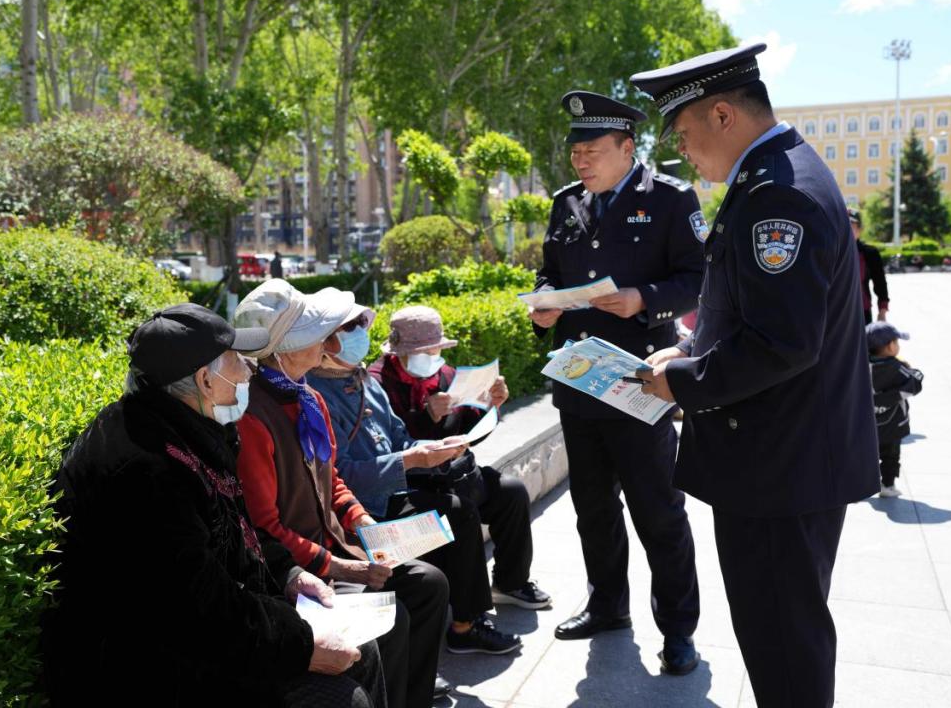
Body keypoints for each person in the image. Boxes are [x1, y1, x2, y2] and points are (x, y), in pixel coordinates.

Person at [631, 44, 880, 707]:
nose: (684, 153)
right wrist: (688, 347)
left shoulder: (778, 197)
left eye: (683, 136)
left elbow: (780, 345)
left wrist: (682, 382)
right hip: (786, 460)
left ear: (721, 114)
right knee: (783, 640)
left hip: (779, 472)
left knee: (784, 651)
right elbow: (759, 315)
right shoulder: (774, 177)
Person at [43, 303, 386, 708]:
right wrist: (302, 645)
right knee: (339, 698)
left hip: (200, 630)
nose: (248, 371)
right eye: (237, 361)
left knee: (363, 653)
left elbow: (232, 532)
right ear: (206, 380)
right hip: (149, 666)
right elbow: (193, 606)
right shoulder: (146, 469)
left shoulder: (183, 426)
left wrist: (289, 572)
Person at [527, 90, 703, 675]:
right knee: (592, 507)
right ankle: (608, 606)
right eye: (574, 152)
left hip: (640, 381)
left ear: (628, 148)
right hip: (580, 381)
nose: (580, 161)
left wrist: (644, 301)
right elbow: (551, 271)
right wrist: (544, 304)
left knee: (658, 511)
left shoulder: (672, 200)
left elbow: (699, 280)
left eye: (592, 151)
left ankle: (678, 630)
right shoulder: (566, 203)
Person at [231, 280, 450, 708]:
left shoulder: (310, 397)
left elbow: (331, 479)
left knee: (430, 584)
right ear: (283, 351)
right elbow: (266, 528)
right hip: (300, 573)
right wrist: (346, 568)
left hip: (337, 546)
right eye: (315, 335)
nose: (328, 342)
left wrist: (361, 522)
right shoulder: (252, 417)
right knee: (395, 617)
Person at [307, 313, 525, 658]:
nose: (360, 334)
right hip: (364, 510)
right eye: (349, 328)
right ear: (324, 340)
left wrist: (435, 448)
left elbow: (399, 437)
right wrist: (412, 459)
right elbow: (339, 474)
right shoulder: (318, 393)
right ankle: (465, 626)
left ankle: (476, 614)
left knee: (478, 502)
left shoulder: (363, 379)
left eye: (361, 326)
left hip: (394, 492)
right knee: (455, 514)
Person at [368, 305, 551, 612]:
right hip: (415, 482)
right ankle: (468, 616)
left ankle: (510, 582)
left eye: (435, 349)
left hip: (454, 473)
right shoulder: (377, 382)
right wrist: (426, 416)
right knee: (459, 510)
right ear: (399, 351)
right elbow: (389, 441)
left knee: (512, 492)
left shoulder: (446, 374)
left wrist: (491, 407)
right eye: (422, 351)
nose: (431, 357)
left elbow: (468, 429)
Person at [867, 321, 924, 498]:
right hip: (893, 424)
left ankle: (862, 483)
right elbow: (915, 382)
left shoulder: (862, 366)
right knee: (890, 456)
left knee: (866, 454)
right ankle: (888, 484)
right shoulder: (895, 367)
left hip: (867, 424)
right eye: (897, 342)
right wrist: (912, 370)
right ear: (889, 347)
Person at [850, 208, 889, 323]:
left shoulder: (870, 253)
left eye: (851, 225)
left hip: (862, 312)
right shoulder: (830, 252)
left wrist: (882, 311)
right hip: (834, 313)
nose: (846, 229)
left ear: (859, 229)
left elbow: (880, 283)